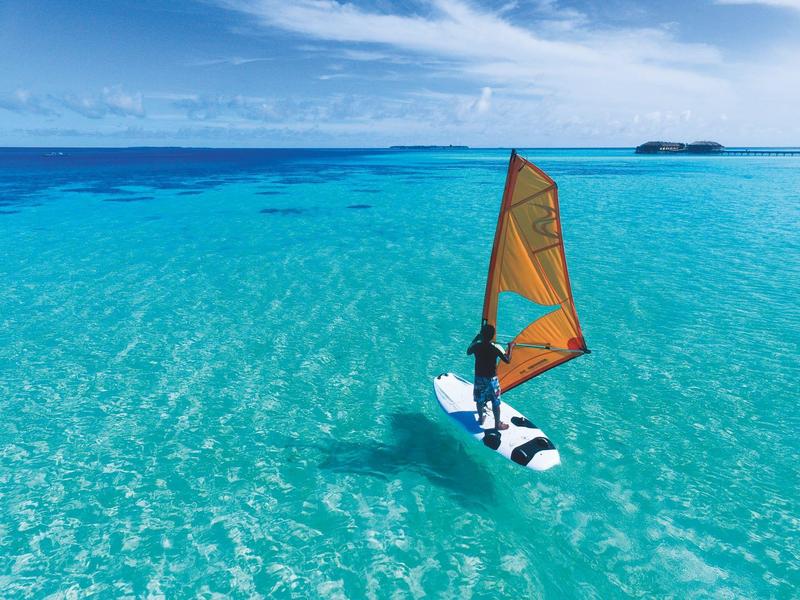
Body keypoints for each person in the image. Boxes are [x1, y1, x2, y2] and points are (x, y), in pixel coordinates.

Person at [467, 322, 514, 430]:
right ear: (493, 336)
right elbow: (507, 360)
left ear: (481, 334)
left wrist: (476, 339)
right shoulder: (495, 348)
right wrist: (511, 347)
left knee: (479, 399)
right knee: (495, 401)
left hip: (479, 378)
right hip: (492, 379)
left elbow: (468, 351)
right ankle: (497, 424)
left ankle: (480, 418)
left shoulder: (477, 346)